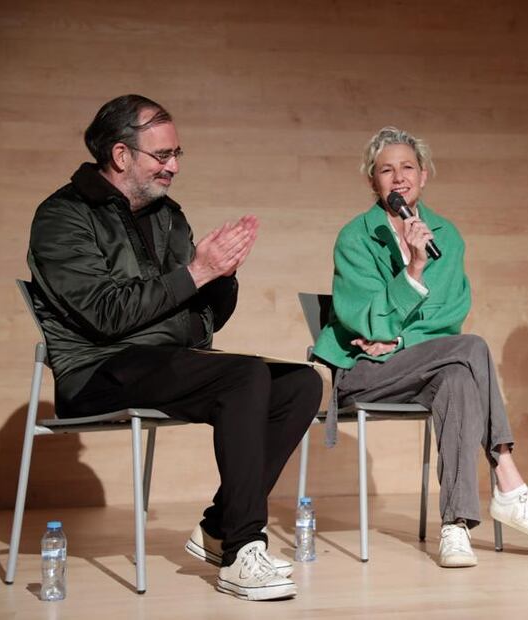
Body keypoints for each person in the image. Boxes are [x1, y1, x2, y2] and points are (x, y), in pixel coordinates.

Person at [26, 94, 322, 600]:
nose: (174, 167)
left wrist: (222, 277)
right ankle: (241, 549)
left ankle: (216, 527)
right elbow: (105, 316)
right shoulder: (63, 216)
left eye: (177, 154)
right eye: (162, 156)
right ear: (121, 156)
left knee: (299, 383)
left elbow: (204, 323)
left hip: (166, 361)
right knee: (244, 374)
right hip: (97, 370)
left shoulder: (168, 216)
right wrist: (198, 271)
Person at [312, 126, 528, 569]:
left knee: (457, 375)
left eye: (407, 167)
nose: (398, 178)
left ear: (425, 175)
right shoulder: (355, 238)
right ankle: (508, 481)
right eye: (386, 170)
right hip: (363, 371)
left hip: (421, 366)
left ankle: (454, 528)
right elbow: (363, 319)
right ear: (372, 181)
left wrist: (396, 338)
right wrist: (413, 270)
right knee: (470, 349)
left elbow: (448, 315)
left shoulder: (445, 236)